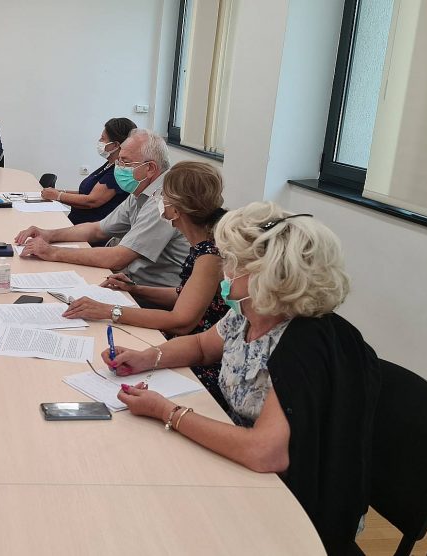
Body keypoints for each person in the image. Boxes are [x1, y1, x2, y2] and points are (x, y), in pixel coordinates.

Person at [104, 202, 379, 554]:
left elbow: (265, 453)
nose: (224, 269)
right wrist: (147, 357)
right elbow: (202, 346)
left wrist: (167, 412)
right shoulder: (251, 312)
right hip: (239, 465)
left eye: (231, 261)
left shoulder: (305, 344)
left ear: (266, 273)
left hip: (286, 502)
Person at [62, 162, 229, 406]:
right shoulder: (204, 243)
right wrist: (135, 289)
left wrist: (109, 311)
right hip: (192, 343)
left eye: (163, 196)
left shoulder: (210, 255)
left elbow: (181, 321)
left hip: (202, 357)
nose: (159, 201)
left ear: (175, 209)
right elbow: (187, 295)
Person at [15, 128, 190, 289]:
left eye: (125, 162)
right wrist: (48, 235)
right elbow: (98, 229)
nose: (118, 167)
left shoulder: (164, 200)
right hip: (130, 282)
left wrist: (52, 252)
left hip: (152, 294)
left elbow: (118, 258)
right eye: (119, 160)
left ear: (150, 168)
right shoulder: (140, 190)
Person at [42, 118, 137, 225]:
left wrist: (58, 196)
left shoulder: (119, 172)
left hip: (90, 228)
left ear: (115, 145)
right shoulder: (109, 164)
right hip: (77, 223)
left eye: (103, 138)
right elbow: (85, 193)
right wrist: (58, 192)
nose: (99, 141)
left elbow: (91, 201)